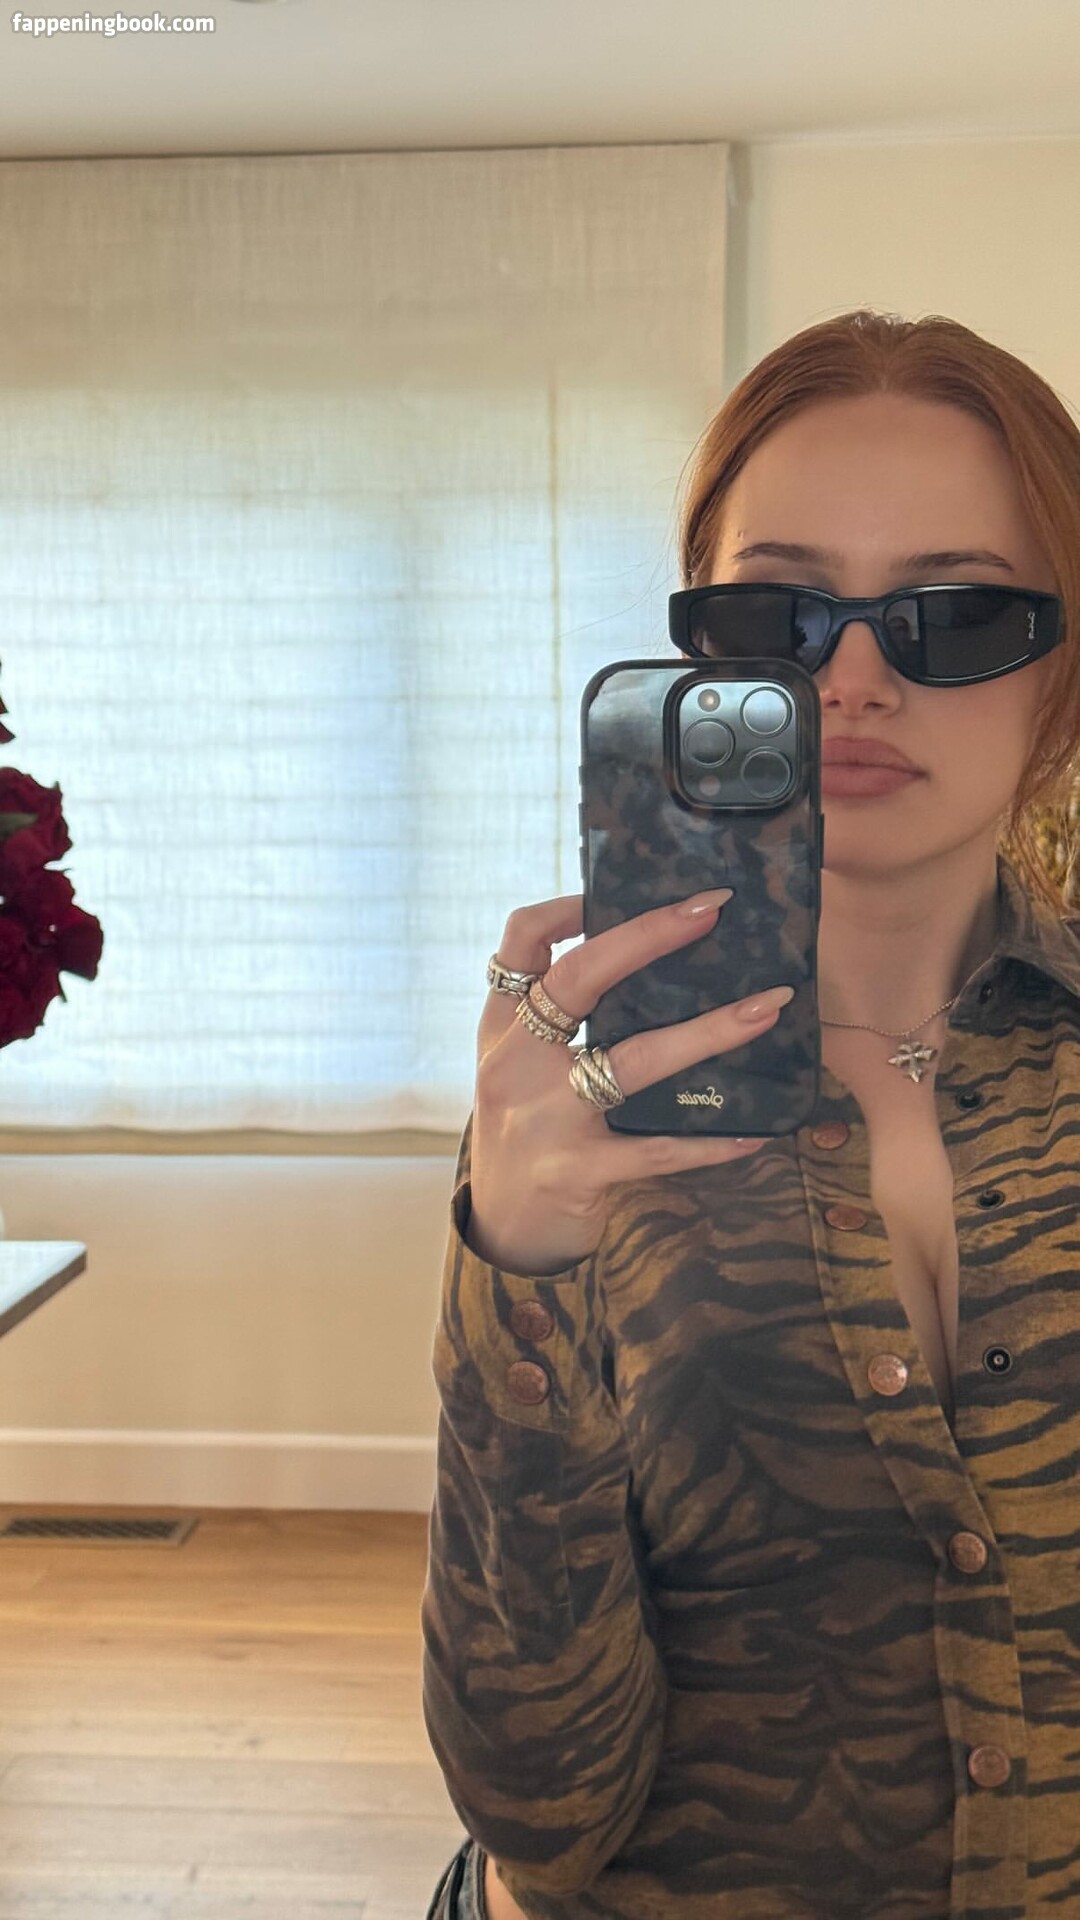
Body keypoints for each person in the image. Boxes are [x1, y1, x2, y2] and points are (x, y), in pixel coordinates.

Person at [420, 309, 1080, 1920]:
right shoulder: (586, 1115)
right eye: (773, 613)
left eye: (957, 613)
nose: (849, 679)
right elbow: (539, 1807)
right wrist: (515, 1267)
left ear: (1063, 671)